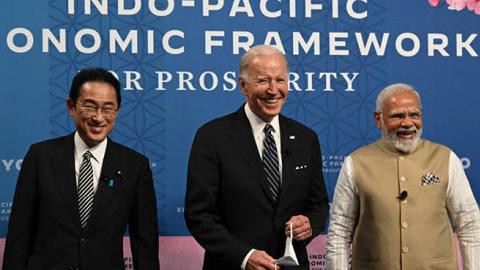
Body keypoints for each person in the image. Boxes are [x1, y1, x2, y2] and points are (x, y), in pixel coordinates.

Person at [184, 45, 329, 270]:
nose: (273, 90)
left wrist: (309, 224)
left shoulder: (305, 138)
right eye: (263, 81)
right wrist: (244, 256)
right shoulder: (212, 137)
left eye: (280, 80)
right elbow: (198, 215)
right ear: (243, 86)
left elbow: (319, 205)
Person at [2, 68, 160, 270]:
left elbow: (144, 243)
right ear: (71, 107)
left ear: (118, 111)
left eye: (108, 108)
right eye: (90, 106)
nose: (98, 117)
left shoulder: (135, 166)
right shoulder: (40, 157)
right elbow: (19, 234)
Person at [326, 83, 480, 270]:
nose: (408, 123)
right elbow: (339, 232)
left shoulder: (446, 158)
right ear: (378, 119)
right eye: (397, 116)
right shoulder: (355, 163)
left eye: (414, 115)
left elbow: (470, 225)